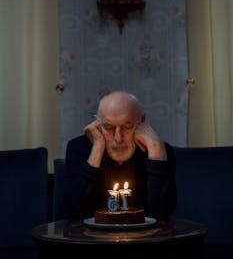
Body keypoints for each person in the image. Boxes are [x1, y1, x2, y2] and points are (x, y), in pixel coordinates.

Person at [64, 91, 177, 221]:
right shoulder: (79, 148)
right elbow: (75, 212)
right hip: (94, 240)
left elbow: (161, 215)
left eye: (127, 126)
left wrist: (157, 153)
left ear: (142, 122)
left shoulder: (159, 150)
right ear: (98, 125)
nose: (118, 138)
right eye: (108, 127)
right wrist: (97, 149)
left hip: (144, 240)